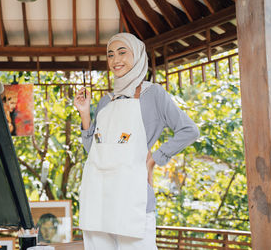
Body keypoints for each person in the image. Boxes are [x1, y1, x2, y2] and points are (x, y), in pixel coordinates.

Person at [74, 33, 199, 249]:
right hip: (98, 197)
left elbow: (189, 130)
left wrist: (154, 159)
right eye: (110, 55)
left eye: (123, 52)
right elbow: (92, 151)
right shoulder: (105, 101)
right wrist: (85, 114)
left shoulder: (154, 94)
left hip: (133, 198)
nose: (116, 60)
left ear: (138, 56)